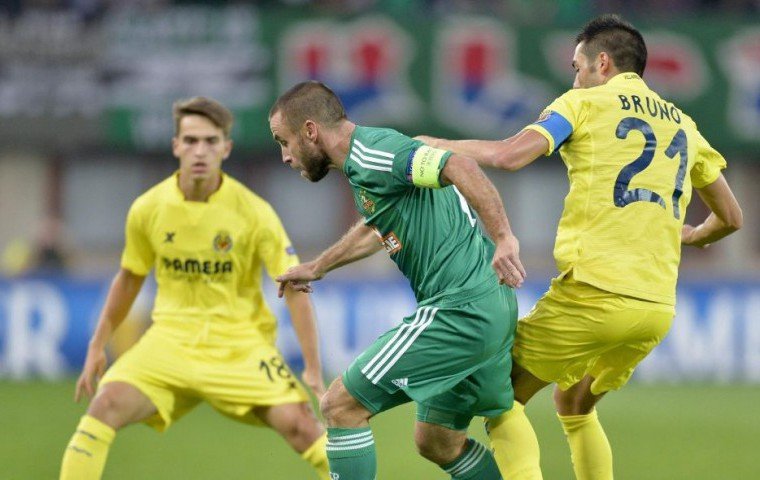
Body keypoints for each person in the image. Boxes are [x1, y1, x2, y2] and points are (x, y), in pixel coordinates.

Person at [416, 14, 744, 480]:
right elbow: (731, 218)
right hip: (655, 307)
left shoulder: (582, 103)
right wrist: (692, 235)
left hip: (594, 295)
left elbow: (509, 155)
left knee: (498, 396)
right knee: (574, 403)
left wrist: (434, 145)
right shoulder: (683, 124)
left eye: (577, 67)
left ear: (601, 63)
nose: (574, 78)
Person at [60, 97, 330, 480]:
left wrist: (313, 369)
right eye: (190, 141)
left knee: (302, 426)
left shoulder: (254, 213)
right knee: (103, 407)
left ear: (226, 148)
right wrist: (97, 344)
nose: (200, 151)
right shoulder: (148, 208)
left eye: (209, 141)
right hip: (170, 341)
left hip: (239, 345)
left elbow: (295, 285)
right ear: (176, 146)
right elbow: (130, 277)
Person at [269, 81, 525, 480]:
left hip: (460, 311)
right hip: (489, 304)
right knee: (438, 441)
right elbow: (377, 226)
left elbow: (460, 165)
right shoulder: (368, 162)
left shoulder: (375, 152)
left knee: (339, 406)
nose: (285, 156)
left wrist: (504, 237)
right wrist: (318, 266)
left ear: (310, 131)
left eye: (284, 142)